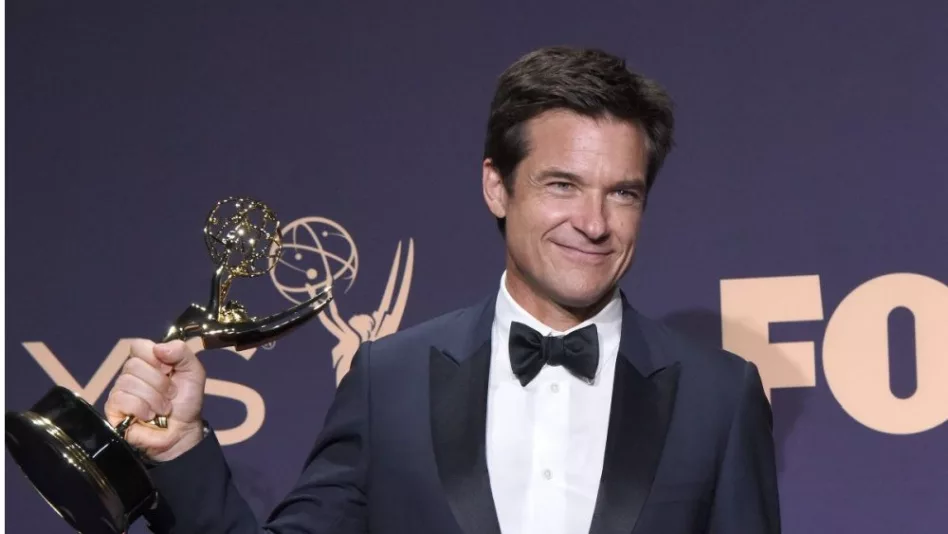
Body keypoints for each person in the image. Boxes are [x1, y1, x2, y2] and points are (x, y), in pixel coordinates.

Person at [105, 45, 781, 534]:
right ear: (497, 185)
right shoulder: (388, 382)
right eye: (562, 185)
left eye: (623, 194)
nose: (595, 223)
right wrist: (182, 452)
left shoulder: (717, 399)